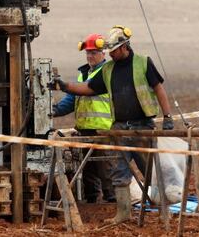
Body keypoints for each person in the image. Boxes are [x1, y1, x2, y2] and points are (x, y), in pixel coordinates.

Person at [50, 25, 174, 224]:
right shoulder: (108, 69)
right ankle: (123, 213)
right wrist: (64, 86)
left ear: (125, 47)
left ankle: (164, 212)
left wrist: (168, 117)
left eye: (113, 50)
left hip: (142, 126)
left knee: (150, 169)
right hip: (118, 127)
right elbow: (89, 88)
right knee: (118, 169)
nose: (111, 54)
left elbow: (158, 88)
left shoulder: (143, 63)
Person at [52, 33, 115, 203]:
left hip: (103, 130)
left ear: (103, 53)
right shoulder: (83, 75)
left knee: (106, 168)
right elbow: (71, 100)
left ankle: (113, 201)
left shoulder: (108, 72)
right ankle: (92, 200)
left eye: (94, 52)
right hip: (85, 130)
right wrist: (52, 111)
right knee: (88, 169)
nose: (90, 56)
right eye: (88, 53)